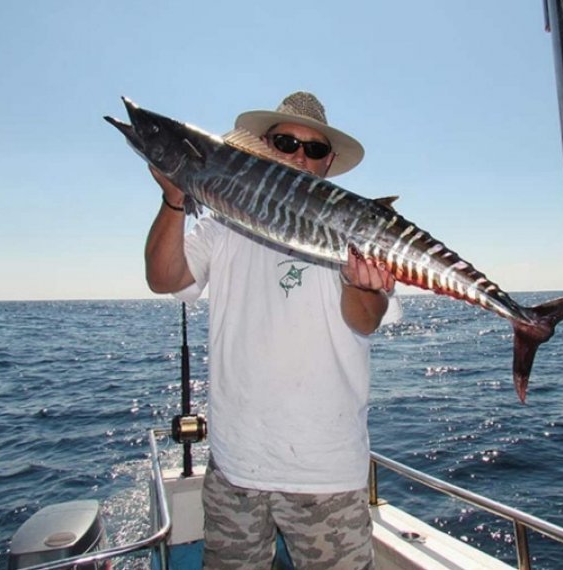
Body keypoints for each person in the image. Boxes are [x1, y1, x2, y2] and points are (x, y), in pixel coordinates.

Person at [144, 91, 401, 569]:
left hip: (327, 474)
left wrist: (357, 280)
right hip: (235, 470)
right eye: (285, 142)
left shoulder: (353, 228)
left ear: (327, 165)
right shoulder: (224, 225)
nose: (300, 157)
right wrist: (174, 197)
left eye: (315, 149)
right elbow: (164, 278)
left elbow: (365, 320)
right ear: (262, 147)